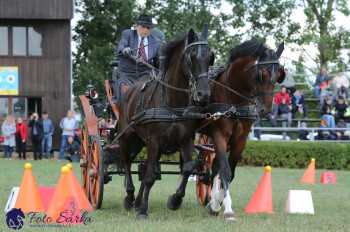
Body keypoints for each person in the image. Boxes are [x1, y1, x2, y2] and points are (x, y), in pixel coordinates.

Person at [114, 14, 164, 103]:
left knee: (154, 90)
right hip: (127, 74)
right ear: (137, 26)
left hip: (145, 74)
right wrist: (125, 49)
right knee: (124, 91)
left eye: (148, 28)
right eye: (143, 27)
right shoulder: (127, 34)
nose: (145, 30)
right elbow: (122, 46)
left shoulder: (155, 42)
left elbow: (157, 63)